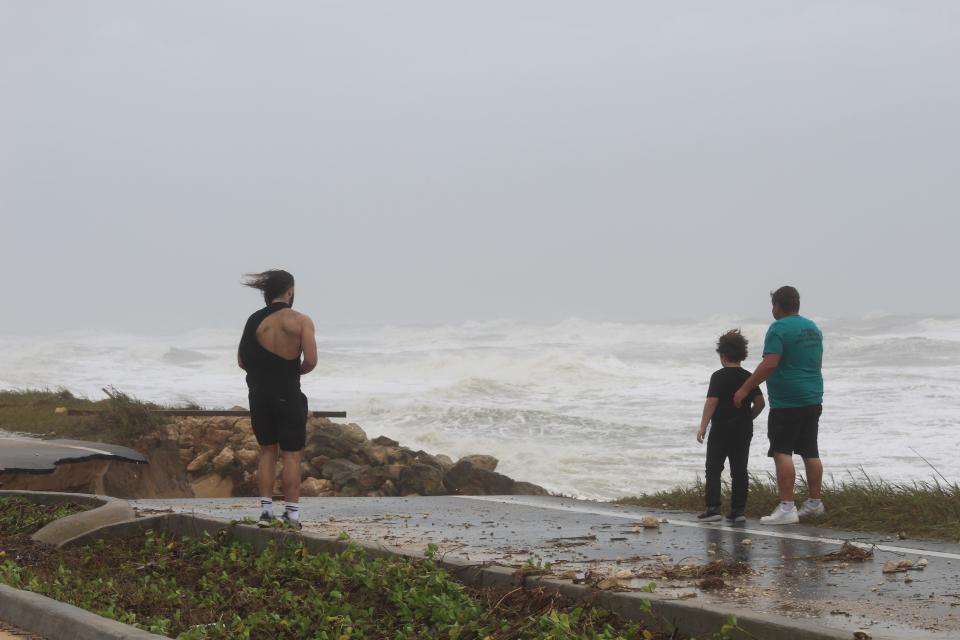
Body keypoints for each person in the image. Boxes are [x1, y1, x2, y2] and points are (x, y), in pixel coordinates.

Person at [734, 286, 824, 525]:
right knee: (810, 450)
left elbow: (770, 363)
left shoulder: (778, 328)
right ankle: (815, 503)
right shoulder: (812, 328)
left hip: (788, 401)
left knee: (782, 451)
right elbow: (818, 361)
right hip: (813, 397)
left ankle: (787, 508)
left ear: (777, 306)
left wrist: (745, 389)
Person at [238, 270, 317, 529]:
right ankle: (292, 516)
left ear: (267, 293)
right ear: (290, 291)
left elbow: (241, 360)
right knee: (292, 455)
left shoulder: (254, 321)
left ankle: (265, 513)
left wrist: (265, 372)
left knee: (267, 452)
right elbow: (311, 361)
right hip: (288, 395)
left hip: (259, 395)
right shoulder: (301, 321)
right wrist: (291, 371)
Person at [696, 330, 765, 523]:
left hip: (721, 429)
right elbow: (760, 403)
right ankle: (738, 511)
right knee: (739, 469)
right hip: (743, 429)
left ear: (723, 355)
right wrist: (748, 418)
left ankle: (713, 508)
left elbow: (711, 402)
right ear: (742, 354)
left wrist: (703, 426)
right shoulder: (748, 377)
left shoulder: (718, 376)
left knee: (714, 468)